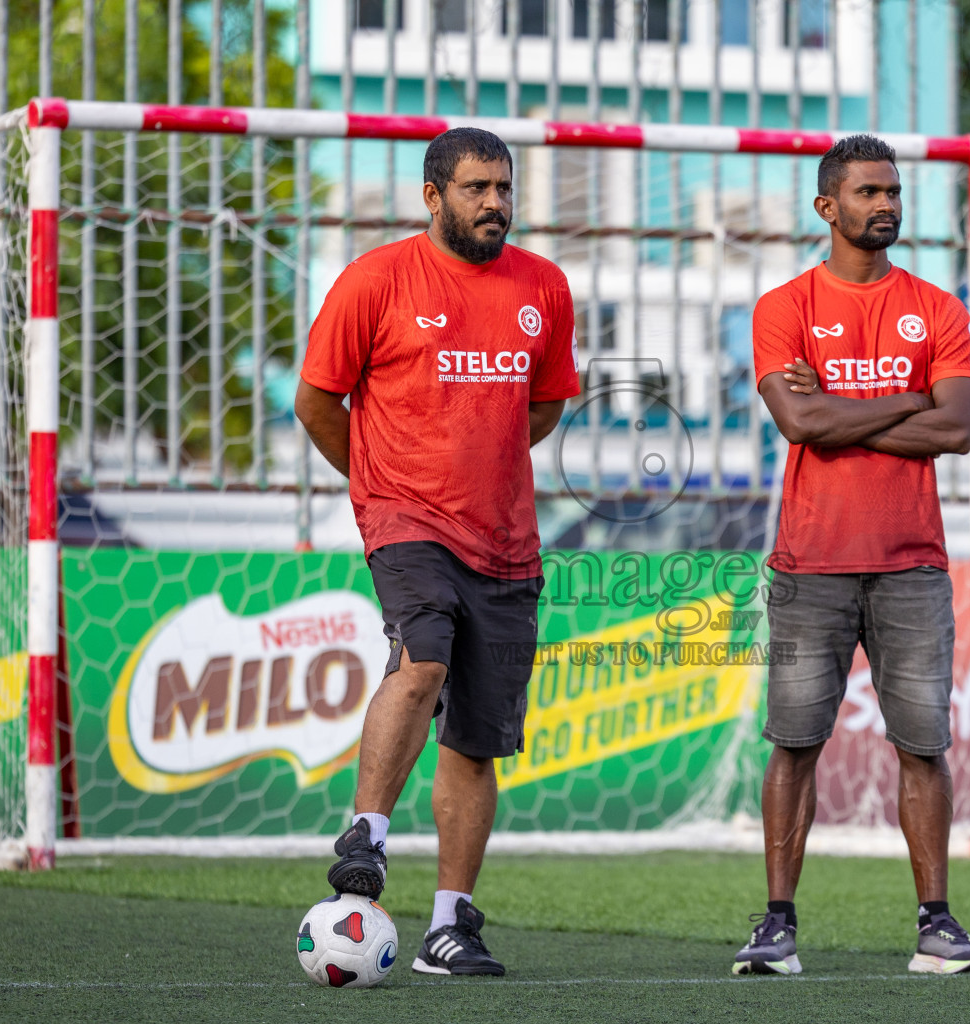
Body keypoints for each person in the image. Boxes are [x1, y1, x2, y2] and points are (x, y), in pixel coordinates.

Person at [295, 127, 579, 978]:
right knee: (419, 663)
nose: (494, 202)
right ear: (433, 196)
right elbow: (316, 401)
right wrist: (380, 485)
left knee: (478, 744)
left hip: (506, 539)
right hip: (406, 522)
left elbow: (545, 407)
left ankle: (449, 927)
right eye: (475, 188)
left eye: (503, 187)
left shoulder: (544, 286)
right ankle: (367, 839)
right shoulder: (375, 280)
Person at [734, 134, 970, 976]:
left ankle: (937, 926)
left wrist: (852, 405)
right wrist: (907, 398)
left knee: (923, 747)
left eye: (893, 191)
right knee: (796, 743)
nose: (886, 205)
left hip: (912, 563)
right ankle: (776, 926)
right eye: (869, 193)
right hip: (810, 562)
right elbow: (801, 425)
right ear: (828, 208)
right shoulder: (784, 307)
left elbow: (957, 428)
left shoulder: (940, 307)